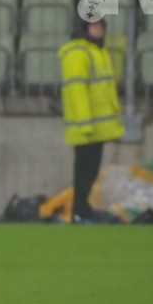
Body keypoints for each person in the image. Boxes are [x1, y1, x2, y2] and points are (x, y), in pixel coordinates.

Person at [58, 15, 124, 223]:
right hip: (87, 126)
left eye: (101, 26)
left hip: (97, 126)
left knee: (90, 170)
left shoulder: (97, 52)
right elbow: (77, 90)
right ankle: (79, 211)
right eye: (94, 26)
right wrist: (85, 123)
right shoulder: (78, 52)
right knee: (84, 171)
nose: (99, 30)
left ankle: (82, 209)